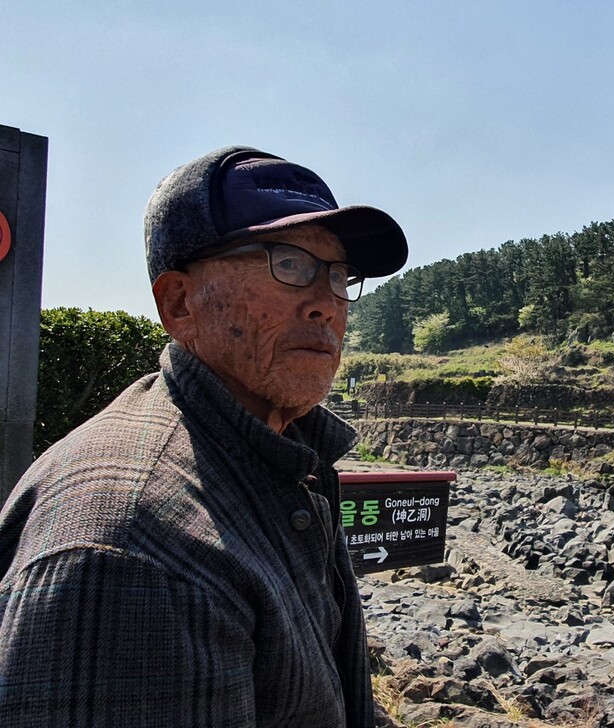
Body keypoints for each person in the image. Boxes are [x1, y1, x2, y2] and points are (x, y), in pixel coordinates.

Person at [0, 146, 408, 726]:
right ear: (179, 302)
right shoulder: (133, 545)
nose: (326, 305)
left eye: (339, 275)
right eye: (288, 264)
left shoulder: (290, 460)